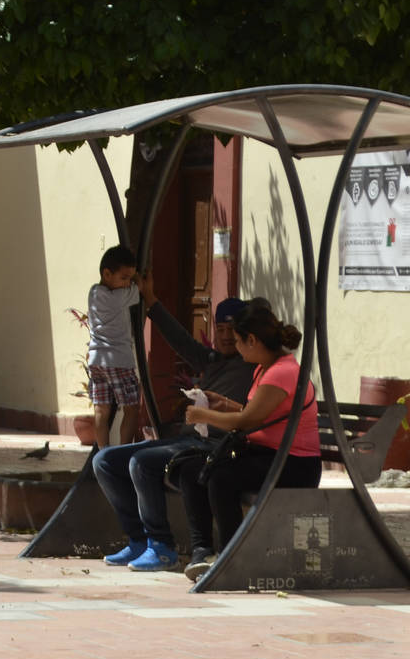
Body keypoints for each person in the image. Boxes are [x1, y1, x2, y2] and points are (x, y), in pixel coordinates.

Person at [92, 273, 254, 574]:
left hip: (212, 445)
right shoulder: (211, 360)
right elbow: (180, 339)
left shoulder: (253, 364)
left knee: (142, 463)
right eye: (220, 329)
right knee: (104, 461)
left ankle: (161, 546)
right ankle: (138, 540)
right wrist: (151, 300)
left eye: (233, 330)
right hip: (185, 440)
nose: (226, 336)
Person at [175, 299, 321, 581]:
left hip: (294, 464)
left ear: (252, 340)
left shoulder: (282, 372)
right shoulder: (264, 368)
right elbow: (254, 412)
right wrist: (224, 403)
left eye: (239, 341)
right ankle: (202, 551)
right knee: (191, 470)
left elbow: (247, 421)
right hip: (266, 455)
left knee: (221, 478)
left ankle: (232, 557)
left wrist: (202, 415)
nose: (236, 347)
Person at [86, 245, 142, 450]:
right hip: (118, 360)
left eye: (129, 279)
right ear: (107, 274)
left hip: (96, 361)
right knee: (131, 408)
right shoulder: (119, 297)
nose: (128, 283)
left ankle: (103, 453)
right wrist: (139, 279)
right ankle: (122, 452)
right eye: (124, 278)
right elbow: (140, 287)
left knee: (101, 410)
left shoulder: (94, 293)